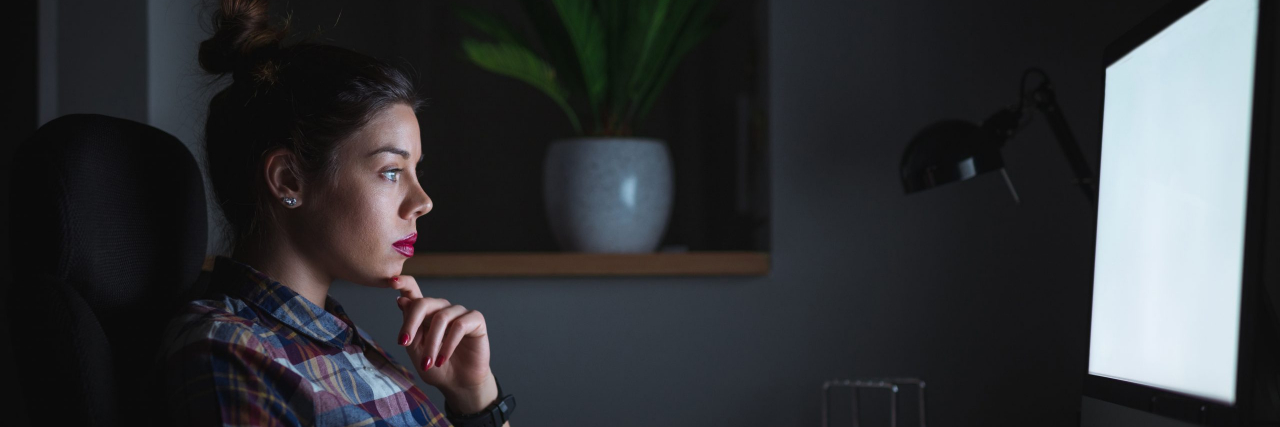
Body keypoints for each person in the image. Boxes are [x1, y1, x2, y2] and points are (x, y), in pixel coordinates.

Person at [155, 0, 515, 425]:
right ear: (289, 179)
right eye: (391, 171)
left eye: (414, 170)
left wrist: (475, 398)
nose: (423, 201)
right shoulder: (229, 354)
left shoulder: (346, 341)